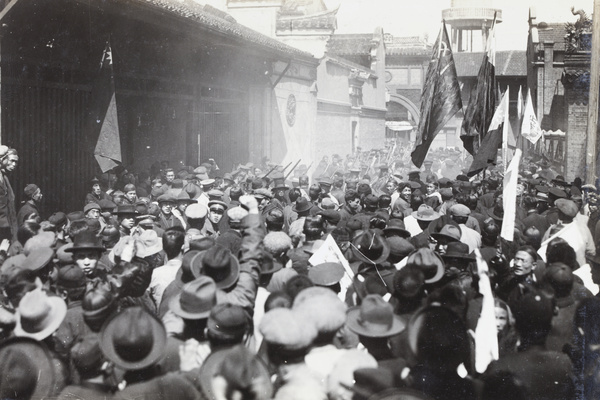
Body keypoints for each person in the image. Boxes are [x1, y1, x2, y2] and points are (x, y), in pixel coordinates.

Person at [0, 146, 18, 241]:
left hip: (7, 228)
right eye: (12, 160)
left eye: (16, 162)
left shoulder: (6, 178)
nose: (14, 164)